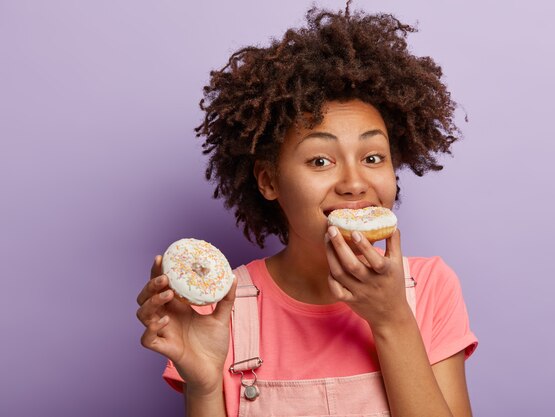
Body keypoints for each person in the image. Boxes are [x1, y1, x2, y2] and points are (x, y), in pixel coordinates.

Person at [136, 2, 478, 416]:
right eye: (320, 160)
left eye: (373, 158)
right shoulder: (220, 307)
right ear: (269, 181)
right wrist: (204, 385)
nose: (354, 183)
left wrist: (392, 321)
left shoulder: (429, 288)